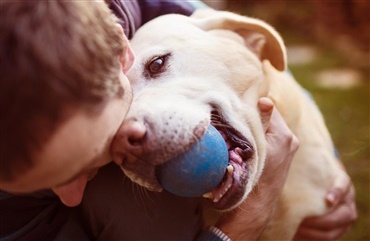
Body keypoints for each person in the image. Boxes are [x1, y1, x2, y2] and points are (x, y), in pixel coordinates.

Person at [0, 1, 356, 240]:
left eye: (155, 67)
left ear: (121, 53)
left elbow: (246, 55)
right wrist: (236, 231)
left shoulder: (156, 15)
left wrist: (326, 167)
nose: (71, 196)